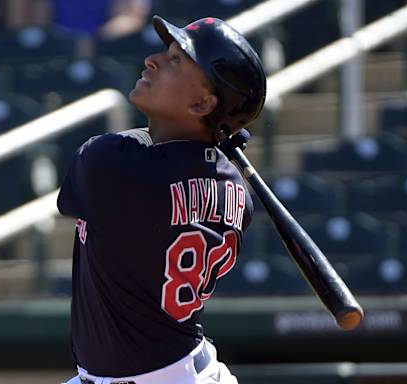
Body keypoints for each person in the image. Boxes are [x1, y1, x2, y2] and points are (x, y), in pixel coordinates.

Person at [58, 15, 266, 384]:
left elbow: (143, 165)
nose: (152, 60)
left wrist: (210, 134)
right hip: (188, 371)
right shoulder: (237, 191)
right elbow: (177, 165)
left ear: (203, 103)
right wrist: (213, 133)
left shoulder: (109, 162)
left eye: (175, 61)